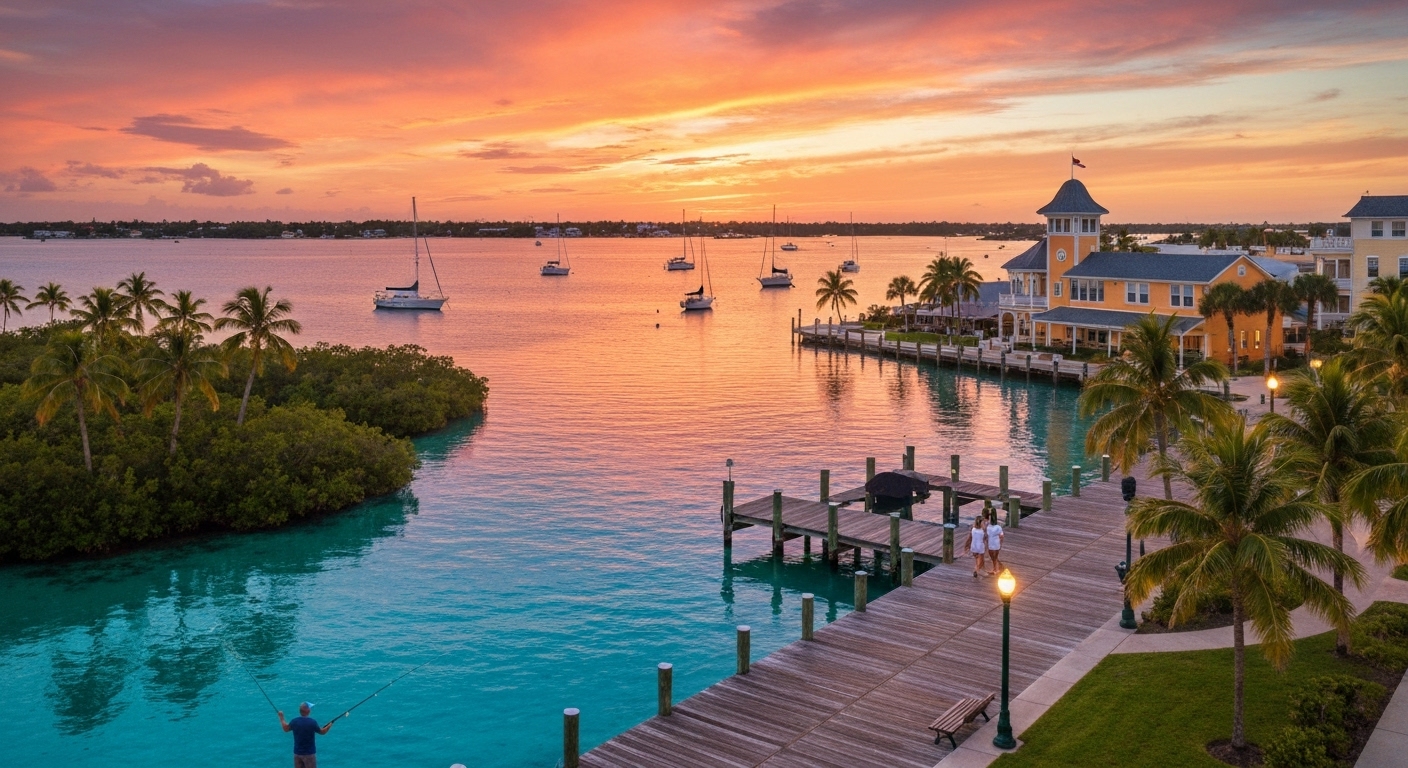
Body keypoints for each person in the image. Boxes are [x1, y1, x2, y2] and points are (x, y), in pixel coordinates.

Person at [279, 702, 332, 768]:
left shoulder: (294, 721)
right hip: (309, 754)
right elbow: (322, 732)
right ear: (308, 711)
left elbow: (286, 729)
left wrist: (281, 717)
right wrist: (329, 725)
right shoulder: (312, 722)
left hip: (297, 754)